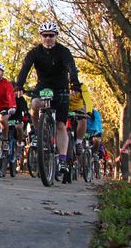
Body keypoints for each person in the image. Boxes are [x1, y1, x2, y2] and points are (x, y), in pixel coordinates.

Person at [15, 21, 81, 176]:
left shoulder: (63, 51)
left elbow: (71, 66)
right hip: (43, 87)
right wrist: (19, 85)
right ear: (41, 37)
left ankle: (63, 160)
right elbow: (25, 68)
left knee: (60, 125)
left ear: (56, 36)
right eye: (45, 36)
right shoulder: (34, 52)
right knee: (35, 104)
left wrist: (74, 84)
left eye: (51, 35)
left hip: (61, 88)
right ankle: (38, 133)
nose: (48, 38)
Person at [68, 81, 92, 153]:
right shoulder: (61, 82)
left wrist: (89, 111)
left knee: (83, 120)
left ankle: (78, 142)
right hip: (65, 108)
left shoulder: (82, 86)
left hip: (78, 108)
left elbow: (87, 100)